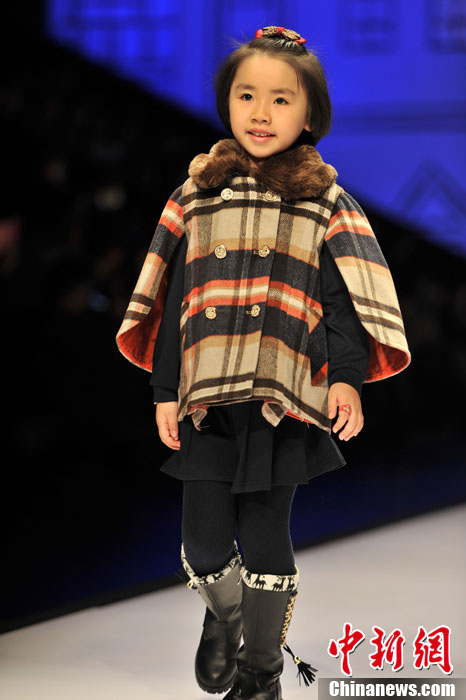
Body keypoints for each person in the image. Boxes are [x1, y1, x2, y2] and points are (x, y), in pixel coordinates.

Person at [116, 25, 411, 700]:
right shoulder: (198, 194)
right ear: (227, 102)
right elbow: (180, 299)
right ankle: (227, 618)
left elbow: (340, 304)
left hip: (283, 397)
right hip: (208, 398)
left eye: (281, 99)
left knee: (265, 533)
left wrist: (346, 380)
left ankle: (262, 671)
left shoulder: (323, 202)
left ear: (310, 115)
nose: (260, 112)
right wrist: (165, 389)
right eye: (247, 95)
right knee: (203, 543)